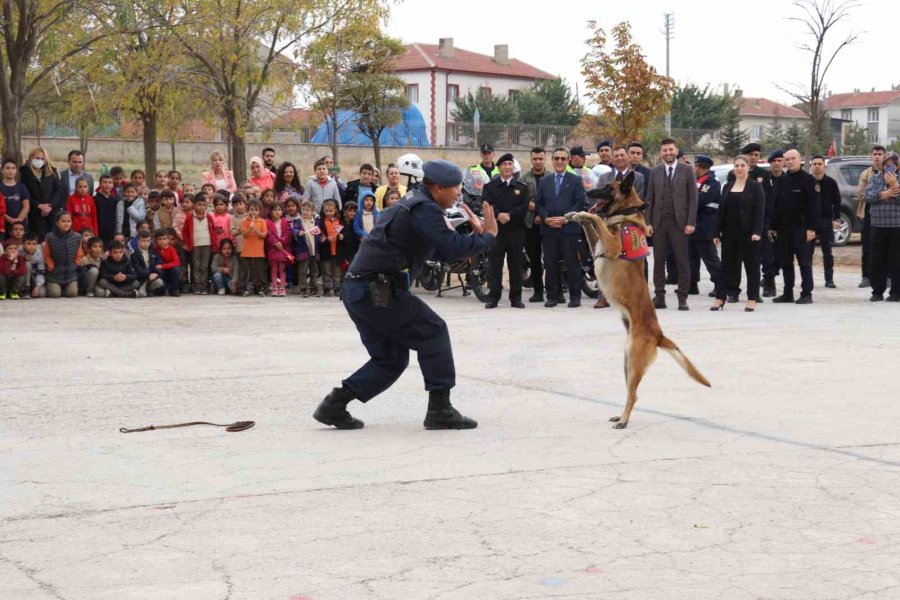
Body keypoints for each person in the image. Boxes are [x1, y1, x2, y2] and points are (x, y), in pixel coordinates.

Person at [312, 159, 497, 431]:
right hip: (377, 289)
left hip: (359, 290)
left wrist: (469, 239)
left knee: (391, 359)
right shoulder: (424, 209)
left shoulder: (412, 202)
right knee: (433, 330)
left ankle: (334, 404)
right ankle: (440, 410)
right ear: (436, 188)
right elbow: (451, 249)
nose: (459, 193)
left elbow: (438, 250)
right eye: (455, 188)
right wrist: (488, 237)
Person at [592, 146, 649, 308]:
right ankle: (603, 296)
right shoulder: (604, 177)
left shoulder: (637, 177)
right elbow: (601, 199)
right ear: (612, 158)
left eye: (622, 155)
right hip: (609, 222)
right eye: (616, 156)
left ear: (627, 157)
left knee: (637, 256)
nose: (619, 158)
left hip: (631, 222)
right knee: (605, 258)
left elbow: (637, 200)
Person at [646, 138, 698, 310]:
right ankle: (659, 296)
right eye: (664, 150)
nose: (667, 153)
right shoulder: (655, 171)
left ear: (676, 151)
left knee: (682, 260)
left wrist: (691, 222)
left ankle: (682, 297)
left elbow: (693, 198)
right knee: (658, 261)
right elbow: (650, 199)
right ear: (661, 152)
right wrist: (648, 222)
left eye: (670, 150)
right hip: (659, 222)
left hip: (680, 223)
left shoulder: (687, 170)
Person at [711, 155, 765, 312]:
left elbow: (759, 212)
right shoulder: (727, 186)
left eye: (742, 165)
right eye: (737, 165)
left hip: (749, 234)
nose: (739, 168)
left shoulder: (755, 187)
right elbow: (721, 212)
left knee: (752, 267)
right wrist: (716, 232)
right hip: (729, 233)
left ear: (748, 167)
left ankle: (752, 298)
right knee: (726, 267)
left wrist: (757, 231)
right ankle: (720, 298)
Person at [535, 147, 587, 308]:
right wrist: (546, 218)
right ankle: (551, 297)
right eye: (556, 158)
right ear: (552, 160)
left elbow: (579, 203)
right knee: (550, 264)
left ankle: (575, 297)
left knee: (572, 264)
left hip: (569, 229)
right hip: (549, 229)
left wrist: (564, 219)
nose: (559, 161)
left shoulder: (576, 180)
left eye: (563, 159)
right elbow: (539, 203)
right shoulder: (545, 181)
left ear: (568, 160)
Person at [773, 149, 819, 305]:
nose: (790, 161)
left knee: (804, 262)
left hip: (802, 229)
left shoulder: (808, 180)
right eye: (787, 159)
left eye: (793, 158)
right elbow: (777, 205)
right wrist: (773, 227)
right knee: (786, 262)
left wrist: (812, 229)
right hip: (784, 229)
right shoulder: (782, 180)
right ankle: (787, 293)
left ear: (799, 160)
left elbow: (814, 207)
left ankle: (807, 293)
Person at [484, 152, 528, 309]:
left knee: (515, 265)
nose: (508, 167)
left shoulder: (522, 188)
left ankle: (516, 298)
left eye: (510, 164)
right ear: (499, 167)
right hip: (497, 232)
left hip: (516, 231)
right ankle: (493, 297)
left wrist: (509, 215)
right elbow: (487, 205)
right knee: (494, 265)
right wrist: (498, 215)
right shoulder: (490, 186)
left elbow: (524, 207)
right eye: (504, 164)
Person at [863, 153, 900, 302]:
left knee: (896, 260)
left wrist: (894, 186)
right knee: (877, 260)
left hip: (897, 226)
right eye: (886, 165)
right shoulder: (876, 178)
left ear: (897, 166)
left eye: (892, 164)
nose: (889, 167)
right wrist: (884, 195)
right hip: (878, 225)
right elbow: (867, 196)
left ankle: (896, 292)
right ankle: (877, 291)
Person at [688, 155, 723, 298]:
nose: (694, 168)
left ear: (701, 167)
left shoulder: (712, 182)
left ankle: (720, 284)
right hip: (693, 224)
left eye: (695, 166)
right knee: (691, 257)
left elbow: (700, 200)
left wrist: (689, 200)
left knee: (709, 257)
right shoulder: (695, 181)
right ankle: (692, 284)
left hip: (705, 225)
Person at [518, 147, 547, 303]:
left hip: (548, 223)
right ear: (531, 159)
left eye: (540, 158)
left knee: (552, 259)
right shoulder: (523, 179)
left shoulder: (551, 177)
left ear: (545, 159)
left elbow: (555, 200)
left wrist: (542, 216)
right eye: (535, 159)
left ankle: (556, 292)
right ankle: (538, 292)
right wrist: (536, 211)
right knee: (534, 260)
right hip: (529, 225)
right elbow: (521, 202)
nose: (538, 161)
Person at [856, 145, 886, 289]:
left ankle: (887, 276)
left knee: (886, 247)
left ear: (884, 156)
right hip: (869, 213)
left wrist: (874, 193)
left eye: (880, 154)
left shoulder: (891, 173)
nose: (877, 156)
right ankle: (866, 276)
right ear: (871, 155)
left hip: (887, 215)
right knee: (867, 246)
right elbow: (861, 194)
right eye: (875, 154)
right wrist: (881, 194)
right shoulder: (866, 174)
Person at [810, 155, 842, 288]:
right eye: (814, 164)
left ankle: (829, 279)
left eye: (819, 163)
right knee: (807, 252)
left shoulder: (831, 183)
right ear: (811, 166)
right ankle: (808, 279)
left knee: (827, 252)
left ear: (824, 166)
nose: (817, 166)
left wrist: (837, 218)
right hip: (810, 222)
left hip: (826, 221)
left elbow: (837, 202)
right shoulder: (808, 182)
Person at [20, 147, 63, 241]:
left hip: (52, 211)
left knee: (53, 239)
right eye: (37, 158)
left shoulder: (52, 170)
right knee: (39, 238)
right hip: (35, 212)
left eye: (42, 158)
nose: (39, 160)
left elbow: (58, 190)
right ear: (31, 158)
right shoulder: (24, 171)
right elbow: (25, 192)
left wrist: (49, 207)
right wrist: (39, 205)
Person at [182, 194, 218, 294]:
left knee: (204, 266)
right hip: (195, 245)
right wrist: (188, 242)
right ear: (194, 205)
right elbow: (184, 231)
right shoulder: (190, 217)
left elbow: (213, 230)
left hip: (207, 244)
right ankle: (196, 286)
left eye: (203, 205)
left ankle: (204, 286)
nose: (201, 207)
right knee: (196, 266)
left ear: (206, 206)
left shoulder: (209, 217)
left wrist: (214, 244)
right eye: (199, 204)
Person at [762, 149, 786, 297]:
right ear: (770, 163)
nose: (776, 164)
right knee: (767, 257)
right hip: (767, 223)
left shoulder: (788, 179)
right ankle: (769, 285)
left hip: (784, 224)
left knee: (781, 257)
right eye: (774, 161)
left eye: (779, 161)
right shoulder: (764, 179)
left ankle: (769, 276)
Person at [43, 211, 84, 298]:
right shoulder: (50, 237)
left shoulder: (77, 237)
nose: (66, 224)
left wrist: (76, 263)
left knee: (72, 294)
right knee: (55, 294)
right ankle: (52, 287)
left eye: (68, 221)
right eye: (63, 221)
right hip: (55, 273)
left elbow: (78, 253)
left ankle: (66, 288)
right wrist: (51, 265)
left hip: (71, 273)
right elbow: (46, 254)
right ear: (57, 223)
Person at [292, 198, 323, 297]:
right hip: (303, 250)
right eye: (303, 209)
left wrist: (322, 238)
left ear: (312, 212)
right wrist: (298, 232)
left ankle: (313, 287)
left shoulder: (316, 222)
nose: (305, 211)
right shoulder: (298, 221)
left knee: (314, 271)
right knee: (303, 271)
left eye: (307, 210)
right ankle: (303, 288)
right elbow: (294, 230)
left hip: (314, 250)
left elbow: (320, 233)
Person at [239, 199, 268, 296]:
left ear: (260, 211)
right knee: (245, 271)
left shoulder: (262, 221)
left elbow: (264, 235)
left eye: (256, 210)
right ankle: (243, 289)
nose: (253, 212)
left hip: (258, 251)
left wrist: (256, 231)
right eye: (251, 209)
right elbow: (244, 234)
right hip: (247, 251)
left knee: (258, 271)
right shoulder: (245, 221)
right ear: (248, 210)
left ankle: (259, 288)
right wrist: (250, 229)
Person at [319, 199, 346, 297]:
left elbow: (345, 233)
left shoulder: (340, 221)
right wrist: (325, 239)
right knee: (326, 270)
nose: (329, 213)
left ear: (335, 211)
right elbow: (319, 235)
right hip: (326, 251)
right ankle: (326, 288)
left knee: (337, 271)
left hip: (337, 251)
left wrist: (342, 236)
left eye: (331, 211)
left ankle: (337, 288)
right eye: (326, 211)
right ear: (323, 210)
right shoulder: (321, 221)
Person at [265, 202, 292, 297]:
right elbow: (268, 234)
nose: (277, 212)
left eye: (279, 209)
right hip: (273, 249)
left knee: (282, 268)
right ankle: (275, 287)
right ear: (271, 211)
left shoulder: (285, 221)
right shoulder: (267, 222)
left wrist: (282, 241)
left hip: (283, 248)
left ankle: (282, 287)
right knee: (274, 268)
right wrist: (275, 242)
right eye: (275, 210)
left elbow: (288, 233)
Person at [130, 230, 165, 297]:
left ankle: (149, 289)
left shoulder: (153, 252)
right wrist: (149, 274)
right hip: (141, 279)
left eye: (148, 241)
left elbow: (160, 264)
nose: (146, 243)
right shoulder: (134, 254)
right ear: (138, 241)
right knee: (142, 294)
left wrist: (156, 273)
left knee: (159, 282)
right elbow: (138, 269)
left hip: (152, 278)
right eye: (143, 241)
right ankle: (145, 289)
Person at [1, 158, 30, 239]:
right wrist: (9, 219)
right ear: (2, 170)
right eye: (8, 168)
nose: (10, 171)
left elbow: (26, 206)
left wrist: (18, 220)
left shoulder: (21, 187)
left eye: (13, 168)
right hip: (4, 224)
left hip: (19, 226)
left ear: (16, 170)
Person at [67, 178, 98, 242]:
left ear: (88, 187)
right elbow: (69, 215)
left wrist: (95, 233)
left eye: (85, 186)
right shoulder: (71, 198)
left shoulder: (91, 199)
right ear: (76, 187)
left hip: (89, 229)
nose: (83, 189)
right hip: (76, 228)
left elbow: (94, 216)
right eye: (80, 187)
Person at [153, 228, 181, 296]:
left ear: (168, 240)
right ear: (156, 240)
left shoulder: (171, 250)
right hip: (161, 271)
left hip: (169, 270)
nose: (162, 241)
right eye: (160, 239)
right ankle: (163, 288)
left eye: (164, 239)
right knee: (158, 270)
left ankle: (174, 289)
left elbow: (177, 262)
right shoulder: (154, 249)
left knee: (176, 269)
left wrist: (163, 266)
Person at [93, 174, 118, 244]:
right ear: (100, 184)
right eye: (105, 182)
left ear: (113, 185)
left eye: (110, 182)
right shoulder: (95, 199)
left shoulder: (114, 200)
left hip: (111, 232)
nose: (107, 185)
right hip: (99, 231)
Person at [20, 232, 46, 298]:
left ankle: (33, 289)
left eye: (34, 244)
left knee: (41, 293)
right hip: (21, 278)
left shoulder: (39, 253)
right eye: (28, 243)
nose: (31, 246)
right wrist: (22, 259)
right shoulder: (18, 251)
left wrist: (38, 285)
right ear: (23, 244)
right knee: (27, 264)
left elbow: (41, 272)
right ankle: (26, 289)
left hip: (34, 276)